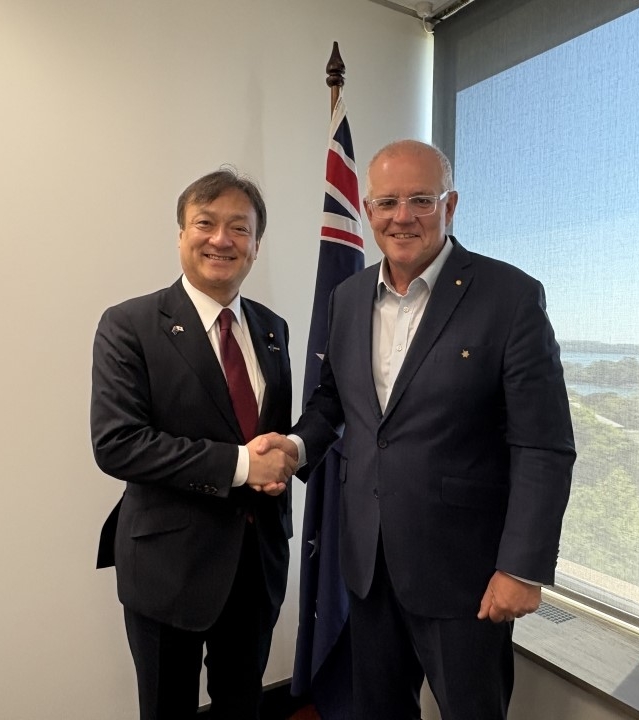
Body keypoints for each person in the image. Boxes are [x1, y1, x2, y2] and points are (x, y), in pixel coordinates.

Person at [271, 140, 576, 719]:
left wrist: (521, 567)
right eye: (387, 202)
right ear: (366, 209)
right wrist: (293, 446)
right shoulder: (348, 296)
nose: (402, 216)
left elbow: (544, 446)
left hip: (466, 576)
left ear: (450, 205)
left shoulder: (509, 297)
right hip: (367, 562)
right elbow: (336, 399)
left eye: (420, 200)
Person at [91, 168, 295, 720]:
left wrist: (281, 459)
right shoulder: (129, 324)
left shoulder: (273, 329)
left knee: (241, 704)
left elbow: (270, 434)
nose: (221, 239)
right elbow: (118, 443)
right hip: (167, 565)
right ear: (181, 234)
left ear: (256, 245)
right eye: (205, 223)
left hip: (257, 563)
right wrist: (240, 465)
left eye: (239, 228)